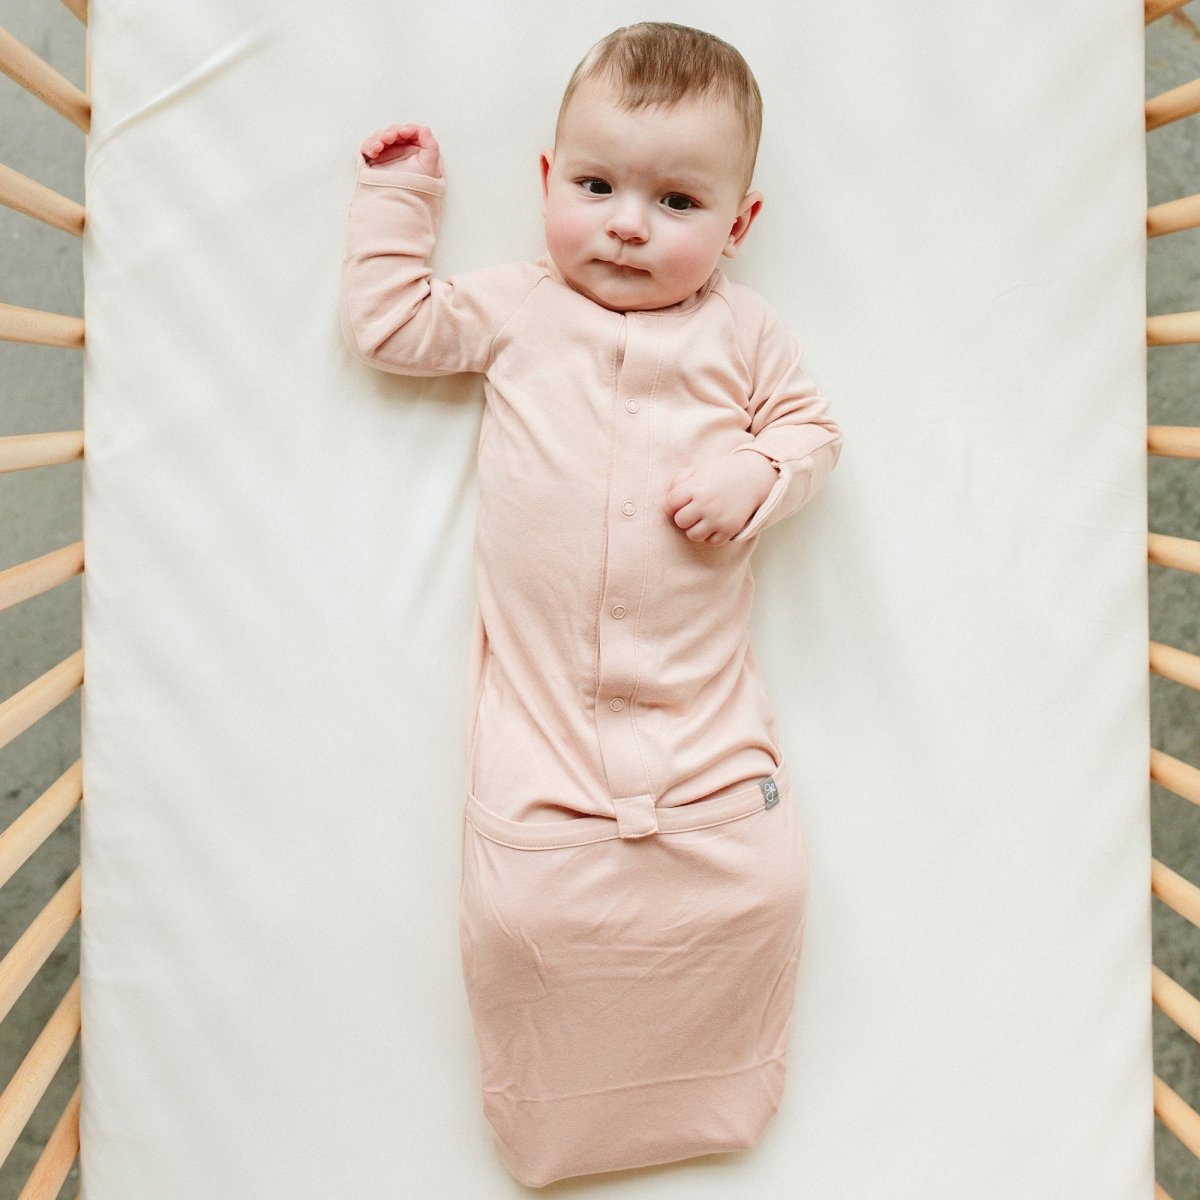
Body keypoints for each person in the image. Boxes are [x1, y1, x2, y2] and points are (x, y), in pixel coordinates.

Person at [340, 21, 842, 1189]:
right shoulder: (519, 309)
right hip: (547, 717)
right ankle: (561, 1109)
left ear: (740, 226)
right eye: (598, 186)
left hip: (699, 711)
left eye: (676, 202)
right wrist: (399, 197)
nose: (626, 223)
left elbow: (811, 432)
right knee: (529, 914)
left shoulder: (745, 332)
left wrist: (756, 475)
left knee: (764, 886)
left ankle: (717, 1080)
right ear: (548, 182)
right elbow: (392, 327)